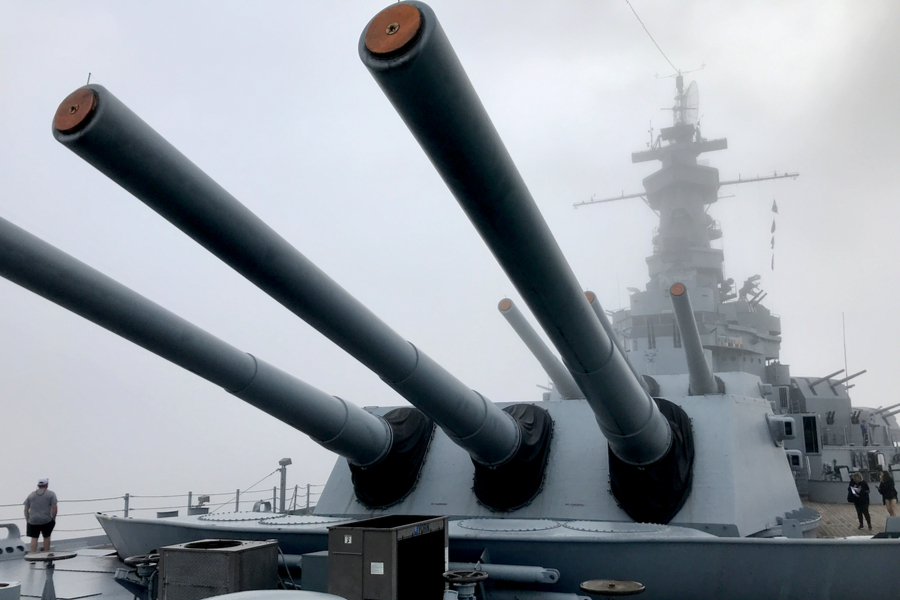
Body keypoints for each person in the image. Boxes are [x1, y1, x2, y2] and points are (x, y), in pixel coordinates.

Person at [23, 478, 58, 552]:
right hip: (46, 520)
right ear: (46, 485)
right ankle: (46, 553)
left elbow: (26, 509)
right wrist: (53, 518)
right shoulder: (51, 494)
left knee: (34, 537)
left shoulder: (31, 495)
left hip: (33, 520)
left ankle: (33, 555)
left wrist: (28, 519)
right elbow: (54, 507)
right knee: (46, 536)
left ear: (38, 485)